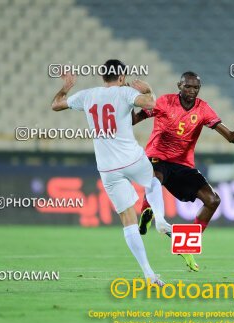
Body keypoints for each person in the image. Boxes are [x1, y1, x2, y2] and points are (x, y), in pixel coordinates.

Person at [51, 59, 171, 286]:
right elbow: (151, 104)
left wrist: (66, 87)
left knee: (128, 220)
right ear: (122, 77)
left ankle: (148, 274)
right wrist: (149, 90)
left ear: (102, 77)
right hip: (131, 158)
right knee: (154, 180)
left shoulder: (86, 95)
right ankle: (161, 219)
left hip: (107, 168)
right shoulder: (125, 93)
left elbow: (56, 105)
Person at [132, 71, 234, 272]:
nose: (192, 90)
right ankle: (148, 210)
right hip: (158, 157)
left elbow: (231, 138)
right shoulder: (164, 102)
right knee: (155, 178)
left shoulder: (203, 109)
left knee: (213, 200)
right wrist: (130, 102)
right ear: (179, 86)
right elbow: (134, 120)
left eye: (196, 87)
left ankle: (186, 243)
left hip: (183, 164)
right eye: (187, 86)